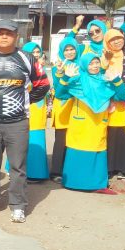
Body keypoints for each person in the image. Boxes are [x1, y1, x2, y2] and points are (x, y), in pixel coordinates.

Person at [0, 19, 50, 223]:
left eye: (9, 33)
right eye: (0, 33)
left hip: (17, 123)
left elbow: (43, 84)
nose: (4, 36)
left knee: (17, 167)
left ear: (16, 36)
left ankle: (18, 205)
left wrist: (25, 102)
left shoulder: (27, 59)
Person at [54, 53, 125, 191]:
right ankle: (73, 182)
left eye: (96, 63)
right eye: (91, 63)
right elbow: (59, 94)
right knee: (77, 150)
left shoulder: (105, 81)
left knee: (96, 150)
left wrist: (117, 81)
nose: (94, 66)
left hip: (98, 124)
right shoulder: (77, 81)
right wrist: (66, 77)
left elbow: (122, 96)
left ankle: (95, 184)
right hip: (79, 125)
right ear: (84, 65)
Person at [101, 29, 125, 179]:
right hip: (109, 102)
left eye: (119, 38)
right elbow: (100, 75)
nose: (117, 42)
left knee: (124, 135)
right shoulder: (104, 56)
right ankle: (110, 168)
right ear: (107, 42)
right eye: (112, 40)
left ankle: (124, 168)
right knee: (111, 135)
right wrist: (106, 61)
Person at [13, 42, 50, 181]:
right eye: (32, 52)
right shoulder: (22, 69)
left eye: (37, 52)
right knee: (24, 140)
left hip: (39, 109)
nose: (35, 55)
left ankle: (37, 173)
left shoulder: (42, 69)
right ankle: (19, 171)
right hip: (27, 108)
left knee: (37, 138)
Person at [49, 35, 81, 182]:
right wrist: (62, 74)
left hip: (77, 107)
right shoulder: (58, 66)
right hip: (63, 106)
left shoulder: (83, 65)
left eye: (72, 49)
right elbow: (57, 87)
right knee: (61, 139)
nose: (70, 52)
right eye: (66, 49)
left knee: (74, 138)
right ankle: (56, 171)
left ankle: (71, 169)